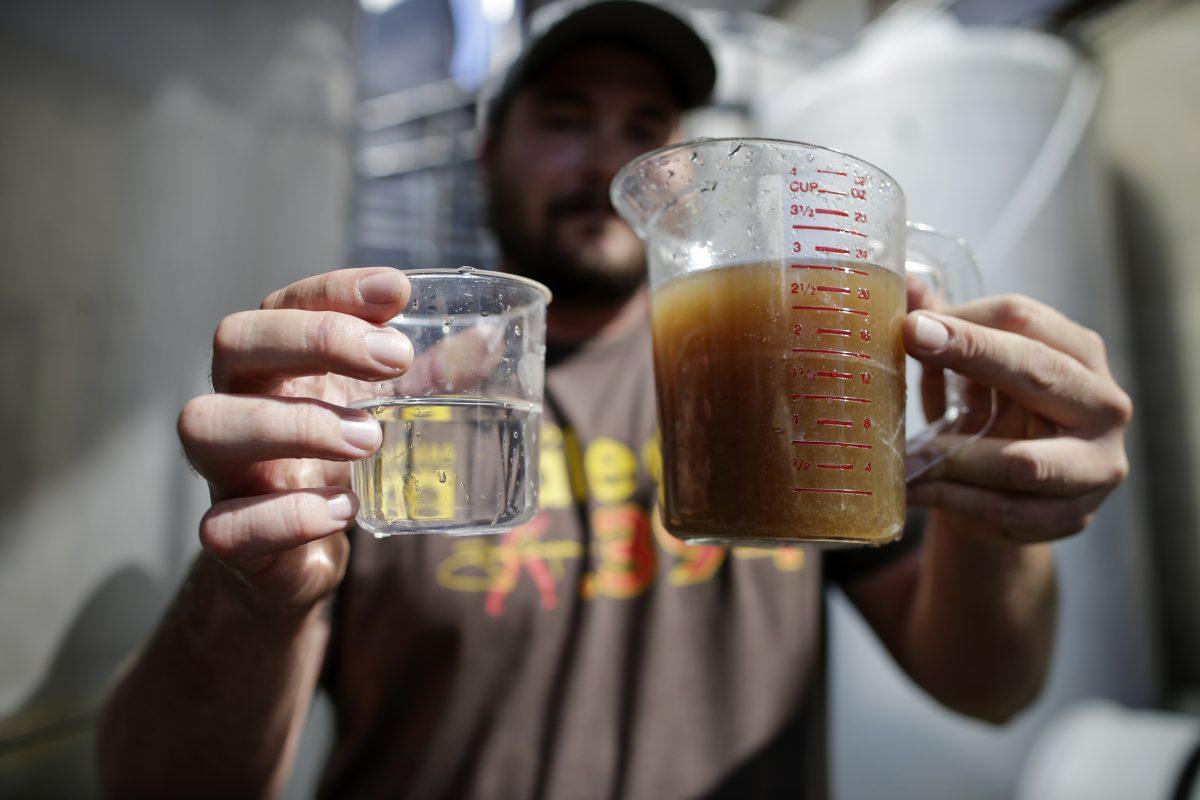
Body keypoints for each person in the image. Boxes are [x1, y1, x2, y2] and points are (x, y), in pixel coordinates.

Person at [97, 1, 1133, 797]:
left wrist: (998, 504)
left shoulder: (778, 379)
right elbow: (163, 785)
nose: (608, 157)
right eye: (565, 116)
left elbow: (989, 686)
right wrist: (246, 596)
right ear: (486, 152)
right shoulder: (379, 399)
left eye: (648, 126)